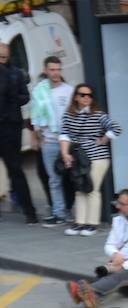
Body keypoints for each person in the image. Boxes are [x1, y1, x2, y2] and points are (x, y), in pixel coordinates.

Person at [67, 189, 128, 308]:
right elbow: (109, 244)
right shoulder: (119, 220)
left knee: (121, 275)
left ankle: (85, 292)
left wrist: (125, 265)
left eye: (121, 204)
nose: (117, 206)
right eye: (117, 202)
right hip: (123, 261)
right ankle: (91, 297)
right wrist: (115, 255)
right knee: (105, 273)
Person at [59, 84, 121, 237]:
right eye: (83, 95)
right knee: (80, 189)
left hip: (97, 157)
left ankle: (92, 223)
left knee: (92, 189)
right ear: (76, 97)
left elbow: (116, 128)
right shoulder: (68, 115)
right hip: (79, 157)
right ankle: (80, 222)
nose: (87, 98)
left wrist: (105, 138)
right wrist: (65, 154)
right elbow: (64, 135)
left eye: (89, 95)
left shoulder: (98, 114)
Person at [29, 55, 73, 226]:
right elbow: (35, 117)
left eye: (58, 69)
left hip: (68, 141)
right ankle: (58, 212)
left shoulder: (69, 90)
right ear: (46, 70)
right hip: (49, 141)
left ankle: (68, 210)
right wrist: (38, 137)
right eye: (52, 70)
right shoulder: (39, 91)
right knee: (54, 179)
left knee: (70, 178)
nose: (55, 73)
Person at [0, 44, 37, 224]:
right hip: (8, 124)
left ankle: (30, 212)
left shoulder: (16, 73)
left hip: (9, 127)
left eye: (3, 57)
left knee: (15, 169)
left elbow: (25, 97)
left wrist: (14, 99)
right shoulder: (14, 73)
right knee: (15, 170)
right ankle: (28, 211)